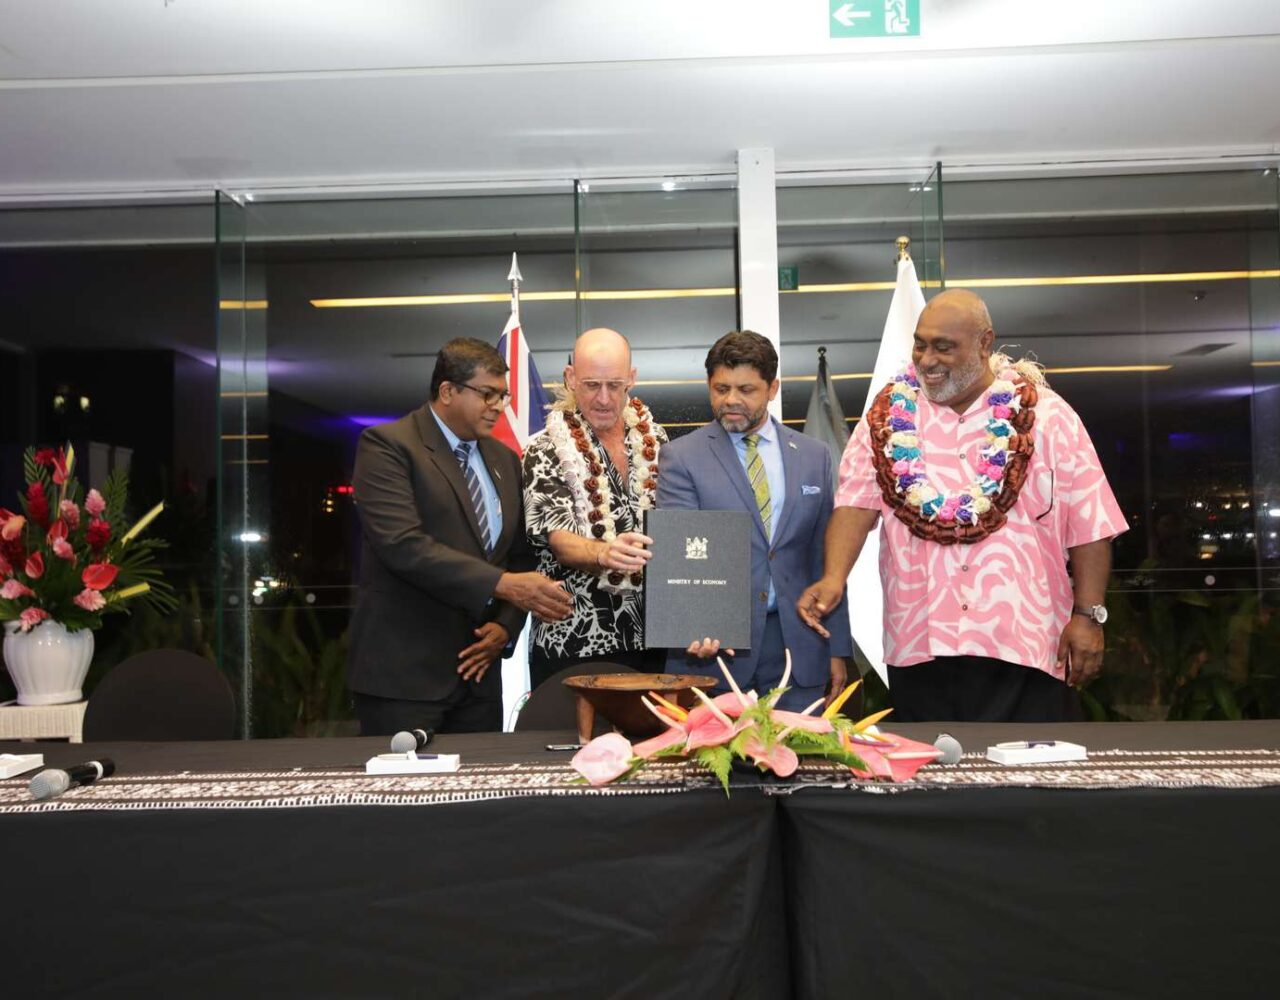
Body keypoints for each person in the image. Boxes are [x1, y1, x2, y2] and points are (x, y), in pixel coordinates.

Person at [798, 290, 1127, 722]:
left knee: (1033, 763)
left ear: (985, 342)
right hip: (921, 646)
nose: (927, 359)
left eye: (943, 346)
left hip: (1026, 644)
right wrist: (833, 578)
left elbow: (1090, 523)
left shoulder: (1048, 417)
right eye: (920, 344)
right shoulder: (886, 417)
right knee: (932, 765)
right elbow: (855, 506)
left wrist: (1088, 615)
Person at [347, 337, 573, 735]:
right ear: (448, 391)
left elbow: (519, 556)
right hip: (405, 679)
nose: (498, 406)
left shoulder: (504, 459)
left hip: (480, 675)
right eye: (487, 394)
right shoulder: (388, 446)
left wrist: (505, 627)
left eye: (503, 395)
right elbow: (403, 545)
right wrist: (505, 585)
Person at [657, 330, 852, 711]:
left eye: (746, 389)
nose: (731, 400)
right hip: (714, 651)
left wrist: (837, 647)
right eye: (721, 388)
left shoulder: (813, 456)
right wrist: (692, 624)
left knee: (803, 750)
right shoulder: (681, 457)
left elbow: (825, 555)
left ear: (772, 388)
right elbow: (682, 551)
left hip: (799, 645)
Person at [522, 328, 668, 687]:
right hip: (575, 640)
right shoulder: (543, 449)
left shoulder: (658, 441)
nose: (604, 398)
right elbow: (560, 541)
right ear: (570, 377)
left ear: (631, 378)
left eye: (614, 385)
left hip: (654, 640)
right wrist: (605, 553)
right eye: (591, 385)